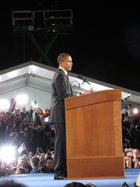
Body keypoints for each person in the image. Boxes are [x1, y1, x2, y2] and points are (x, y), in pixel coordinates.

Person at [49, 52, 73, 180]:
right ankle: (59, 172)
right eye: (69, 61)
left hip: (65, 114)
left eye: (71, 61)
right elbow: (65, 96)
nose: (71, 63)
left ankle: (64, 170)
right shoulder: (59, 75)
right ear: (61, 62)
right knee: (60, 144)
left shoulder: (64, 75)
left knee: (63, 143)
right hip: (60, 115)